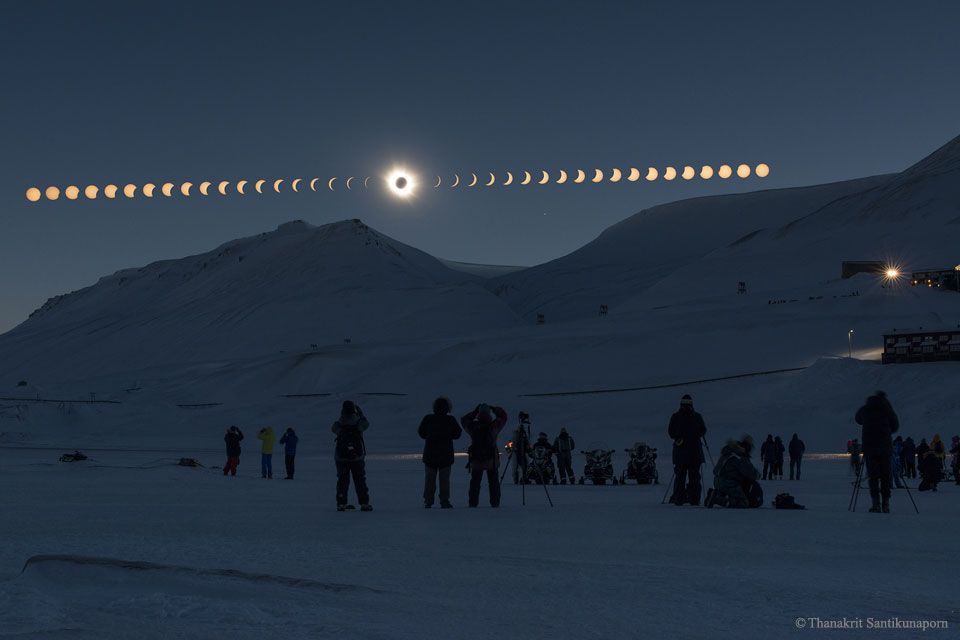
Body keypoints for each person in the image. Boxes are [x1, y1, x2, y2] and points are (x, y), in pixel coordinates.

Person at [855, 391, 899, 513]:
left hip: (870, 448)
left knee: (873, 477)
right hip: (885, 448)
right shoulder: (887, 409)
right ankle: (886, 503)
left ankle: (876, 504)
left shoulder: (865, 409)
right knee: (885, 476)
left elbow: (857, 419)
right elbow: (895, 426)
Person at [418, 396, 462, 509]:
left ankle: (428, 501)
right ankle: (444, 500)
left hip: (430, 455)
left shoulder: (428, 418)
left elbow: (421, 432)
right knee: (444, 481)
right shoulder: (450, 420)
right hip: (445, 456)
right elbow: (457, 434)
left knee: (429, 480)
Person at [461, 403, 508, 508]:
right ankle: (495, 503)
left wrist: (474, 412)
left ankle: (473, 503)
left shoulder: (473, 427)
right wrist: (495, 409)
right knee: (493, 482)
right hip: (491, 459)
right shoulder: (494, 426)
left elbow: (463, 420)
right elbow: (504, 417)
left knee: (475, 482)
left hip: (476, 459)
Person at [332, 401, 372, 511]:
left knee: (342, 481)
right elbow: (366, 424)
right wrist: (360, 413)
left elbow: (333, 428)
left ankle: (341, 503)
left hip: (341, 457)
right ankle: (364, 503)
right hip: (357, 457)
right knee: (360, 480)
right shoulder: (358, 423)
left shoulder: (340, 423)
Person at [667, 394, 706, 506]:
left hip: (681, 453)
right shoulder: (697, 416)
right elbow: (703, 430)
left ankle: (679, 499)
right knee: (692, 477)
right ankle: (694, 499)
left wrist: (679, 436)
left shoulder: (676, 416)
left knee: (681, 477)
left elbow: (671, 432)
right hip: (693, 453)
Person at [705, 435, 761, 508]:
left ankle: (714, 494)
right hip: (729, 483)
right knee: (743, 503)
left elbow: (715, 470)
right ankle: (717, 499)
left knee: (728, 491)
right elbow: (750, 473)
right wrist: (758, 475)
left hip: (717, 481)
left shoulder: (729, 452)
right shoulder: (740, 456)